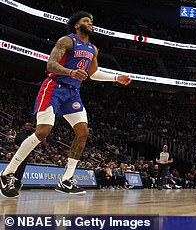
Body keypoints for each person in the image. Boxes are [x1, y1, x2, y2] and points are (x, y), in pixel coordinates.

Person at [0, 11, 131, 198]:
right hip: (54, 87)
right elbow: (50, 65)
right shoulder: (66, 41)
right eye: (86, 21)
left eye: (92, 21)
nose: (90, 23)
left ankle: (66, 179)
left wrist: (116, 78)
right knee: (43, 131)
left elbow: (93, 74)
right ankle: (8, 173)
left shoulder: (93, 49)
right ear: (77, 25)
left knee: (83, 132)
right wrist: (70, 72)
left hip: (73, 93)